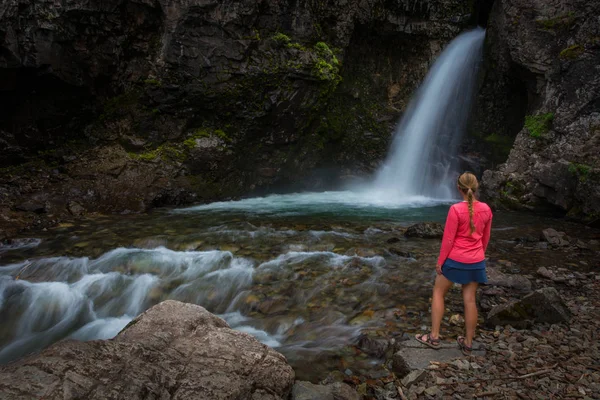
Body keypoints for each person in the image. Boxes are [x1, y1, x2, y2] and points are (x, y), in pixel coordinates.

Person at [415, 172, 492, 355]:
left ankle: (434, 337)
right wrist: (479, 255)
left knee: (438, 292)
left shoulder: (456, 210)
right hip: (476, 260)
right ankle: (468, 342)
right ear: (476, 187)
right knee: (470, 300)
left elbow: (448, 240)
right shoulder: (487, 209)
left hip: (456, 259)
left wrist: (440, 262)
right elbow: (486, 238)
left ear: (459, 188)